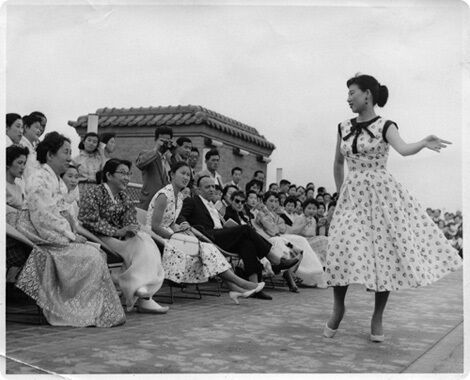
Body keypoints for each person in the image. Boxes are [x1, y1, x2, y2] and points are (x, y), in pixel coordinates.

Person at [323, 74, 462, 343]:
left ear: (368, 95)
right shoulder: (342, 126)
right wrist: (341, 194)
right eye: (347, 93)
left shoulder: (385, 125)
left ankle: (377, 316)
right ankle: (338, 307)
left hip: (381, 195)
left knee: (382, 254)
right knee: (339, 248)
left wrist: (422, 142)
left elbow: (403, 148)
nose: (348, 98)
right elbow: (338, 163)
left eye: (352, 92)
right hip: (352, 197)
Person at [14, 132, 125, 327]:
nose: (69, 157)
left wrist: (72, 233)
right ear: (50, 155)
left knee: (94, 252)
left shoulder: (55, 179)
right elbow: (45, 216)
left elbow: (63, 213)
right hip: (40, 235)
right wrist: (70, 235)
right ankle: (76, 309)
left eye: (70, 152)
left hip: (55, 231)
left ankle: (88, 308)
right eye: (65, 152)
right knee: (91, 256)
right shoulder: (39, 179)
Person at [147, 162, 264, 304]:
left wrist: (179, 228)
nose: (185, 177)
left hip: (170, 235)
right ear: (171, 174)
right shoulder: (164, 195)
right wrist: (175, 236)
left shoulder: (178, 197)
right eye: (182, 173)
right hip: (156, 238)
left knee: (207, 249)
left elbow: (171, 222)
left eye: (188, 175)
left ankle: (235, 288)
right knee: (206, 249)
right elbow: (155, 226)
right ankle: (241, 285)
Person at [79, 158, 169, 314]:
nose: (127, 178)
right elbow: (87, 219)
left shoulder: (123, 196)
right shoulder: (93, 192)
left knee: (145, 241)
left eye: (129, 174)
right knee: (141, 244)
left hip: (119, 238)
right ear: (109, 175)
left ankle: (144, 293)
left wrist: (131, 228)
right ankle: (140, 293)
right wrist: (116, 232)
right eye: (123, 173)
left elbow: (130, 217)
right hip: (99, 236)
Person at [177, 175, 286, 300]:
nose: (212, 189)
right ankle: (274, 259)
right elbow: (181, 216)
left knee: (247, 243)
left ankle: (255, 287)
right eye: (207, 187)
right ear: (198, 189)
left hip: (221, 234)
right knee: (245, 229)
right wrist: (183, 223)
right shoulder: (192, 201)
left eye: (213, 186)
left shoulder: (212, 205)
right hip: (209, 236)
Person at [254, 191, 325, 289]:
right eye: (271, 201)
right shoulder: (261, 214)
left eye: (275, 201)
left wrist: (275, 227)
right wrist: (275, 226)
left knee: (300, 240)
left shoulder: (274, 215)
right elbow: (272, 230)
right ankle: (291, 274)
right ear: (265, 202)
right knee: (286, 241)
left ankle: (310, 272)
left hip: (278, 236)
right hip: (267, 238)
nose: (273, 204)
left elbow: (282, 228)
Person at [135, 126, 173, 210]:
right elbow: (139, 164)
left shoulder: (170, 159)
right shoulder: (147, 154)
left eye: (168, 141)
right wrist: (157, 149)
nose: (165, 143)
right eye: (162, 140)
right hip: (149, 202)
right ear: (155, 140)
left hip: (165, 203)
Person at [20, 114, 42, 180]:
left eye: (40, 129)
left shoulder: (32, 147)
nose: (39, 131)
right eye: (36, 127)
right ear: (26, 127)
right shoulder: (21, 145)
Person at [6, 145, 29, 210]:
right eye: (20, 163)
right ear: (8, 163)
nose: (23, 167)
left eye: (24, 163)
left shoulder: (18, 188)